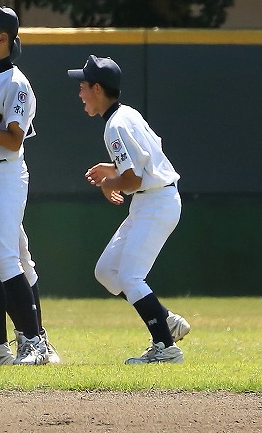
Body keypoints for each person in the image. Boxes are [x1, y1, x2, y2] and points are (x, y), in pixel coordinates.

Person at [68, 55, 191, 364]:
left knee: (131, 277)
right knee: (107, 272)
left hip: (156, 202)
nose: (80, 93)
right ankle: (165, 320)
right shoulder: (127, 115)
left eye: (83, 86)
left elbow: (134, 178)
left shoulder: (115, 126)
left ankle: (166, 347)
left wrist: (111, 183)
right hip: (152, 201)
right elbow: (147, 161)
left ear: (97, 88)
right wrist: (112, 170)